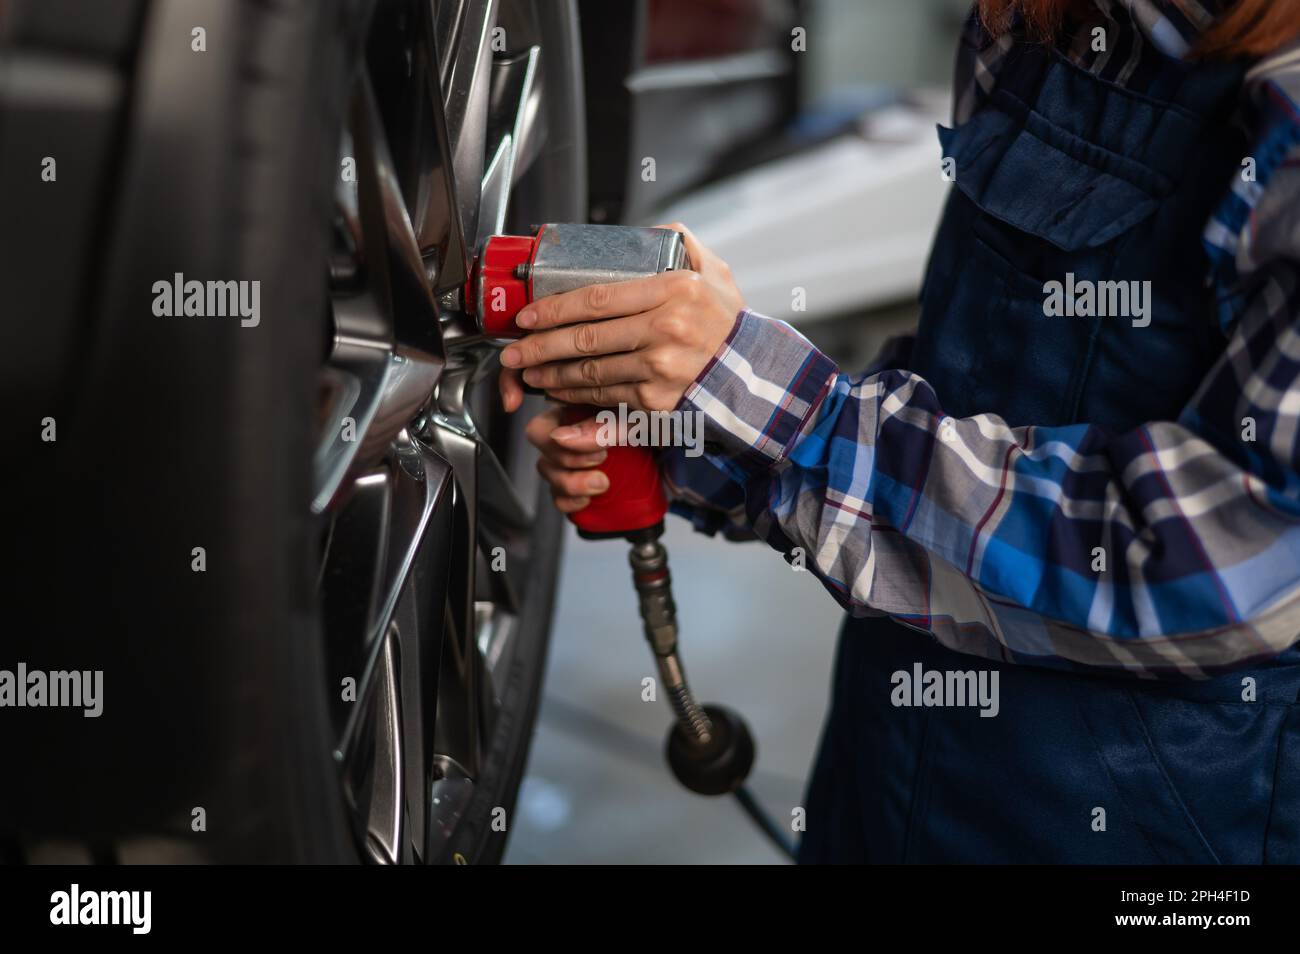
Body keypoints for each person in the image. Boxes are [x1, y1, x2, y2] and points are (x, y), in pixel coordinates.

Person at [499, 0, 1300, 863]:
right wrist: (704, 432)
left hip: (1144, 825)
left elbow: (1224, 564)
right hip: (891, 762)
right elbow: (980, 382)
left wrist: (785, 408)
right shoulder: (1053, 20)